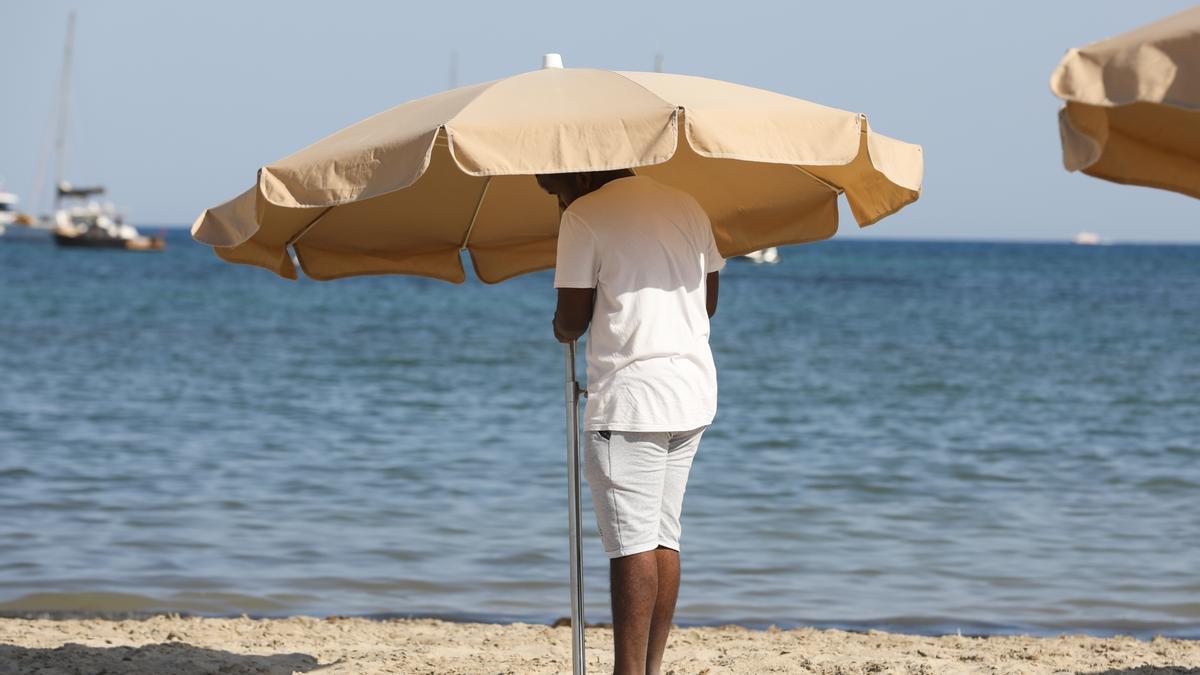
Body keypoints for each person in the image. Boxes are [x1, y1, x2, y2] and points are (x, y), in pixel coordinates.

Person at [538, 169, 723, 675]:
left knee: (632, 544)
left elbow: (570, 321)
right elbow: (707, 301)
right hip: (691, 391)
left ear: (577, 171)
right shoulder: (687, 202)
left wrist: (560, 325)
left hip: (631, 399)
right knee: (663, 536)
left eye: (555, 188)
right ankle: (649, 669)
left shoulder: (583, 216)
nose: (558, 199)